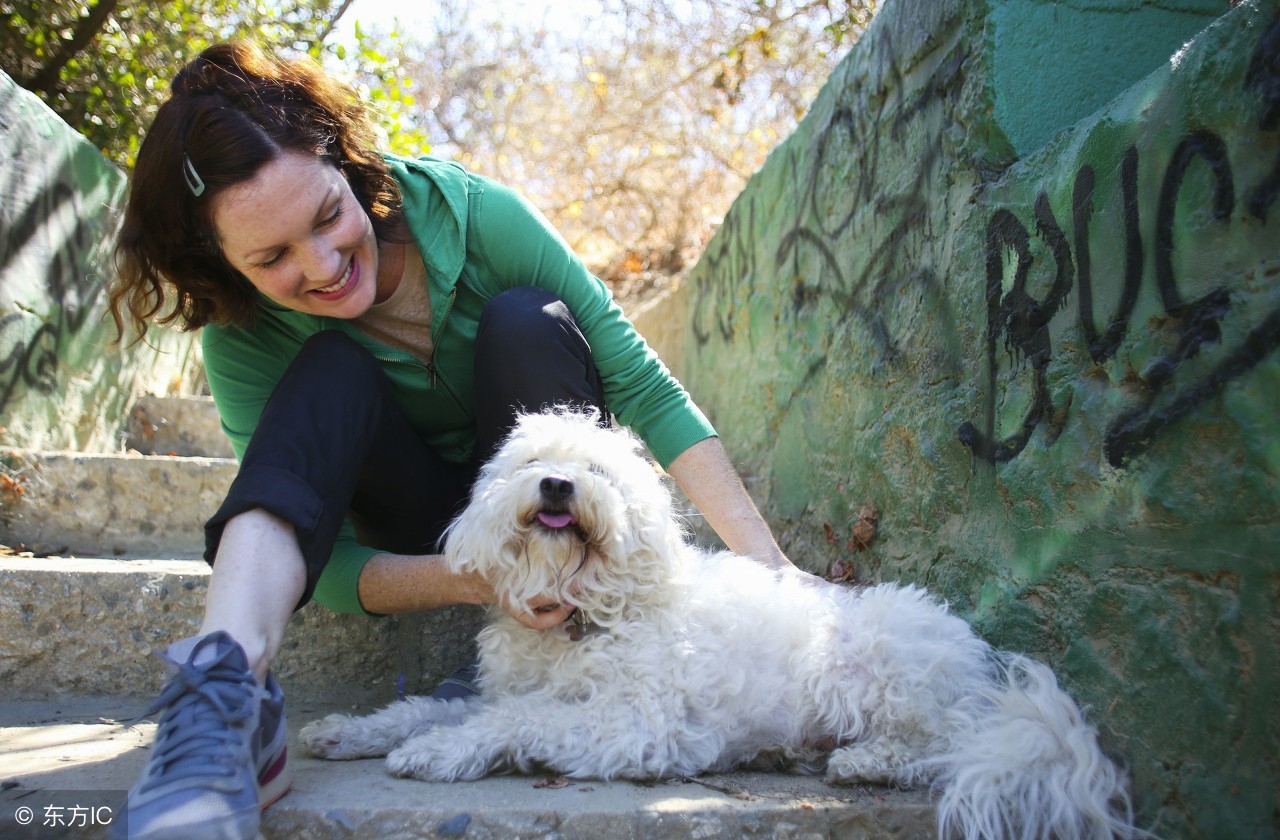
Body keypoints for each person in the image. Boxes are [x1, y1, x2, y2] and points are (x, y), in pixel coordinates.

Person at [108, 40, 804, 840]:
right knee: (329, 366)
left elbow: (643, 386)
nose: (325, 264)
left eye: (329, 215)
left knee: (525, 318)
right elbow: (320, 560)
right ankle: (224, 692)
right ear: (220, 266)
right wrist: (477, 579)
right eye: (272, 258)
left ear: (343, 159)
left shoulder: (477, 219)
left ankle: (566, 652)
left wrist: (774, 571)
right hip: (424, 537)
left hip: (548, 498)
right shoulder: (242, 342)